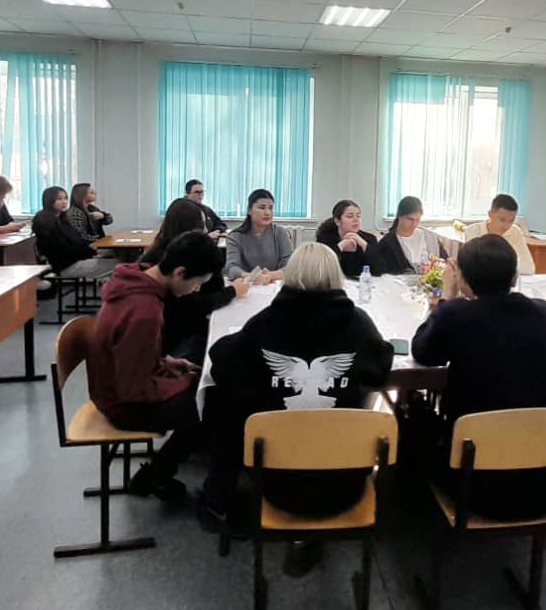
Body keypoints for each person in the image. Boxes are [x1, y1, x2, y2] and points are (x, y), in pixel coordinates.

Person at [200, 243, 393, 557]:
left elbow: (222, 364)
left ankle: (218, 498)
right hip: (346, 482)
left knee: (225, 401)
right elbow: (380, 369)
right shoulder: (358, 323)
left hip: (275, 482)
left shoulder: (266, 322)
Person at [410, 234, 546, 519]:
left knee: (411, 412)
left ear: (462, 279)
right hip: (544, 482)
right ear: (514, 276)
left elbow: (423, 353)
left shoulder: (456, 313)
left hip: (474, 485)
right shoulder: (542, 312)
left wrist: (446, 296)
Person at [90, 231, 222, 502]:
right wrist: (184, 383)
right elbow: (133, 390)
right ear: (180, 272)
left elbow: (127, 350)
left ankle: (157, 472)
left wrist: (164, 362)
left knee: (203, 387)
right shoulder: (145, 310)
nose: (197, 290)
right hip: (123, 404)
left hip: (114, 385)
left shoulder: (136, 279)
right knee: (211, 403)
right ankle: (157, 475)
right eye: (198, 283)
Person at [140, 198, 250, 365]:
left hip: (179, 335)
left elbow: (213, 289)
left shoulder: (179, 254)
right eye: (202, 227)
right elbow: (195, 306)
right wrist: (232, 291)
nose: (206, 230)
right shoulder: (164, 265)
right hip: (176, 338)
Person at [32, 186, 113, 280]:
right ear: (49, 200)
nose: (64, 202)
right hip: (66, 266)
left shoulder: (63, 218)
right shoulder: (45, 222)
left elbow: (77, 241)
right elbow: (63, 250)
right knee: (120, 265)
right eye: (59, 199)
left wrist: (93, 253)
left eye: (65, 198)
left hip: (75, 260)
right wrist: (92, 254)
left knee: (117, 255)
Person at [224, 188, 291, 282]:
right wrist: (252, 277)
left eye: (270, 208)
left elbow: (290, 266)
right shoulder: (235, 236)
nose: (267, 212)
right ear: (249, 210)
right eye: (262, 208)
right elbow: (231, 268)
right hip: (246, 285)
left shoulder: (280, 232)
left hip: (274, 285)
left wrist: (269, 275)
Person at [463, 193, 535, 275]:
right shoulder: (473, 231)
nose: (507, 225)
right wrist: (507, 266)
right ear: (490, 214)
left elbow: (529, 267)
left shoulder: (515, 232)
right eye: (502, 220)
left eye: (511, 221)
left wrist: (498, 266)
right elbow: (473, 265)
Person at [378, 196, 449, 274]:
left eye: (417, 220)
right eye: (410, 219)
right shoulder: (387, 243)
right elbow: (386, 273)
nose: (414, 224)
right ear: (399, 216)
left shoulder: (430, 237)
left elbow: (445, 261)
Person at [315, 199, 385, 277]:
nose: (356, 219)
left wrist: (363, 244)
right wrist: (341, 246)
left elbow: (379, 270)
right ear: (337, 221)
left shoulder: (369, 238)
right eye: (350, 216)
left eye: (358, 216)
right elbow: (322, 270)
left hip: (362, 282)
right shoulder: (325, 239)